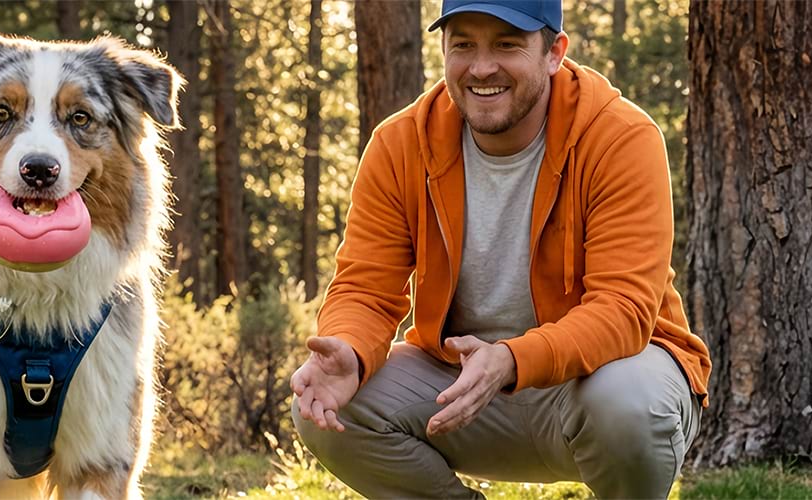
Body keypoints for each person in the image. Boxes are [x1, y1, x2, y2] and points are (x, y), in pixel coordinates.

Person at [290, 0, 712, 497]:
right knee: (321, 403)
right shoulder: (400, 143)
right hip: (462, 387)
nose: (482, 67)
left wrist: (512, 359)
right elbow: (365, 287)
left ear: (554, 52)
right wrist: (351, 349)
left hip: (594, 382)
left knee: (629, 406)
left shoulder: (620, 136)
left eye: (507, 44)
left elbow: (624, 311)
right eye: (463, 44)